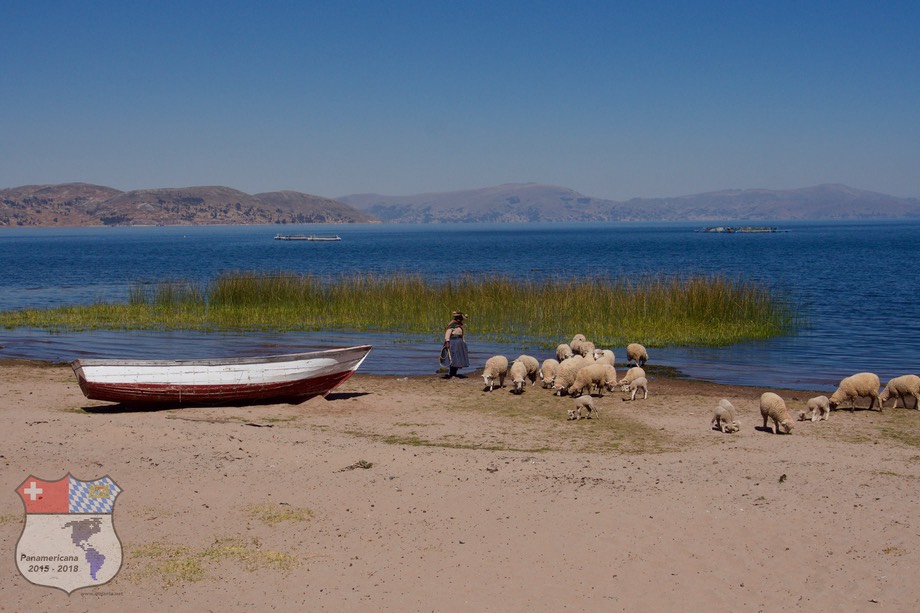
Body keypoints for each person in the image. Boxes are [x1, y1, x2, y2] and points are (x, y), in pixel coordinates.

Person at [440, 310, 470, 378]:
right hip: (453, 343)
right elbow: (448, 333)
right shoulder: (452, 325)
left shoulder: (459, 325)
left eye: (461, 318)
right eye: (459, 318)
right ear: (456, 318)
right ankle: (452, 373)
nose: (460, 319)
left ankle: (454, 373)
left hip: (459, 343)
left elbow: (462, 335)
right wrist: (447, 342)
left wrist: (463, 342)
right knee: (453, 357)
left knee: (458, 358)